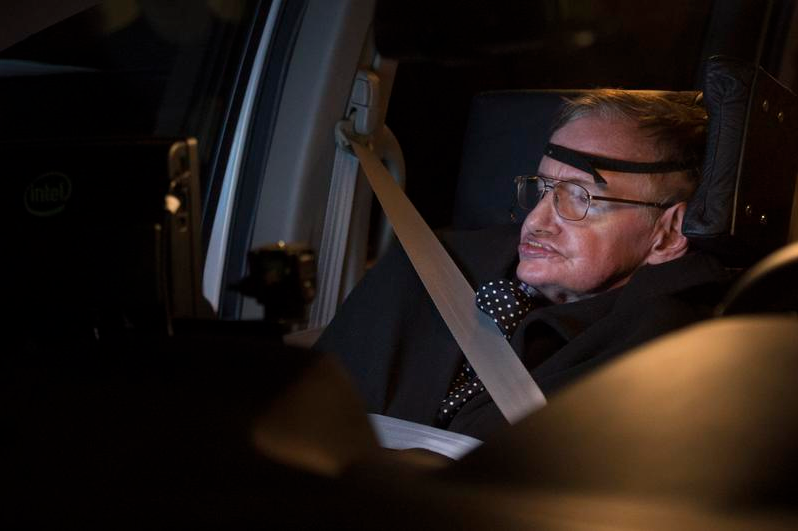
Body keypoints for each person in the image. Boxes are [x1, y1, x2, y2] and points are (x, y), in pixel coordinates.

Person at [314, 89, 730, 440]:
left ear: (667, 233)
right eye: (543, 189)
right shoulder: (430, 265)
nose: (535, 222)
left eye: (580, 197)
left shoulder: (669, 358)